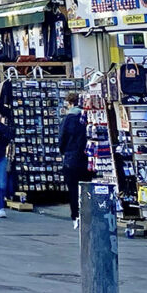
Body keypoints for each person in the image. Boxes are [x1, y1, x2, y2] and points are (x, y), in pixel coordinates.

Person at [59, 91, 88, 229]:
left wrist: (64, 152)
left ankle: (76, 216)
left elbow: (62, 140)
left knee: (73, 189)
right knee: (87, 187)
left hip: (71, 158)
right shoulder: (88, 116)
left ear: (70, 103)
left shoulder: (68, 119)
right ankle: (88, 214)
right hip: (88, 157)